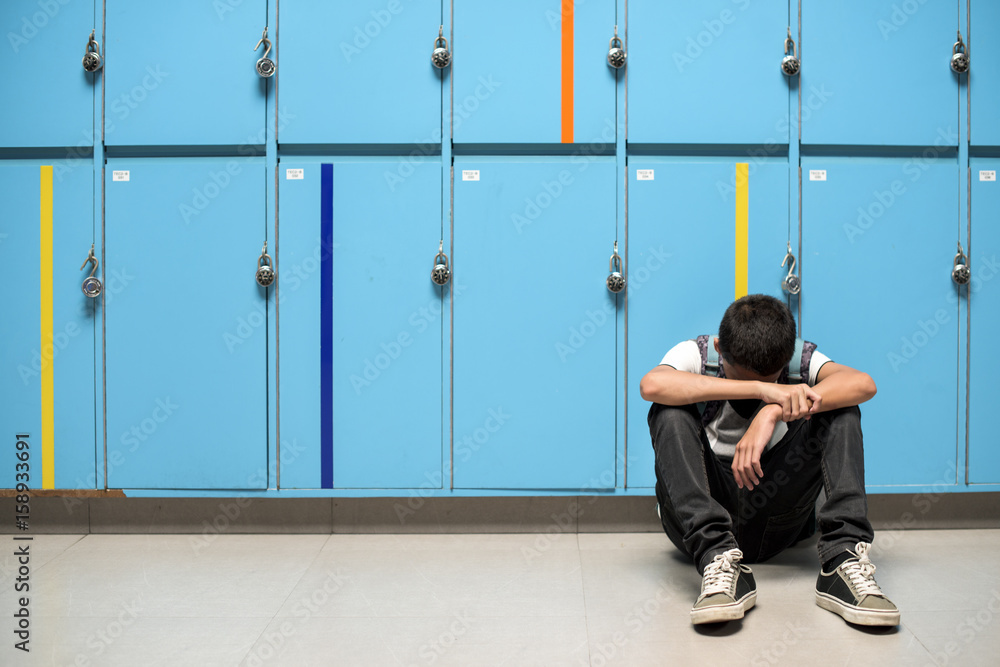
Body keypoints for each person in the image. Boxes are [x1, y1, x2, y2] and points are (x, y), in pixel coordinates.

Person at [639, 294, 898, 627]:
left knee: (841, 408)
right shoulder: (696, 354)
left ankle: (841, 561)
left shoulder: (797, 358)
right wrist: (762, 390)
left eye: (771, 378)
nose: (763, 385)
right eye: (739, 376)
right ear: (720, 349)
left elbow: (862, 383)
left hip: (777, 518)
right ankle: (718, 558)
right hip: (698, 527)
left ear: (786, 358)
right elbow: (652, 384)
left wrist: (773, 412)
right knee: (667, 409)